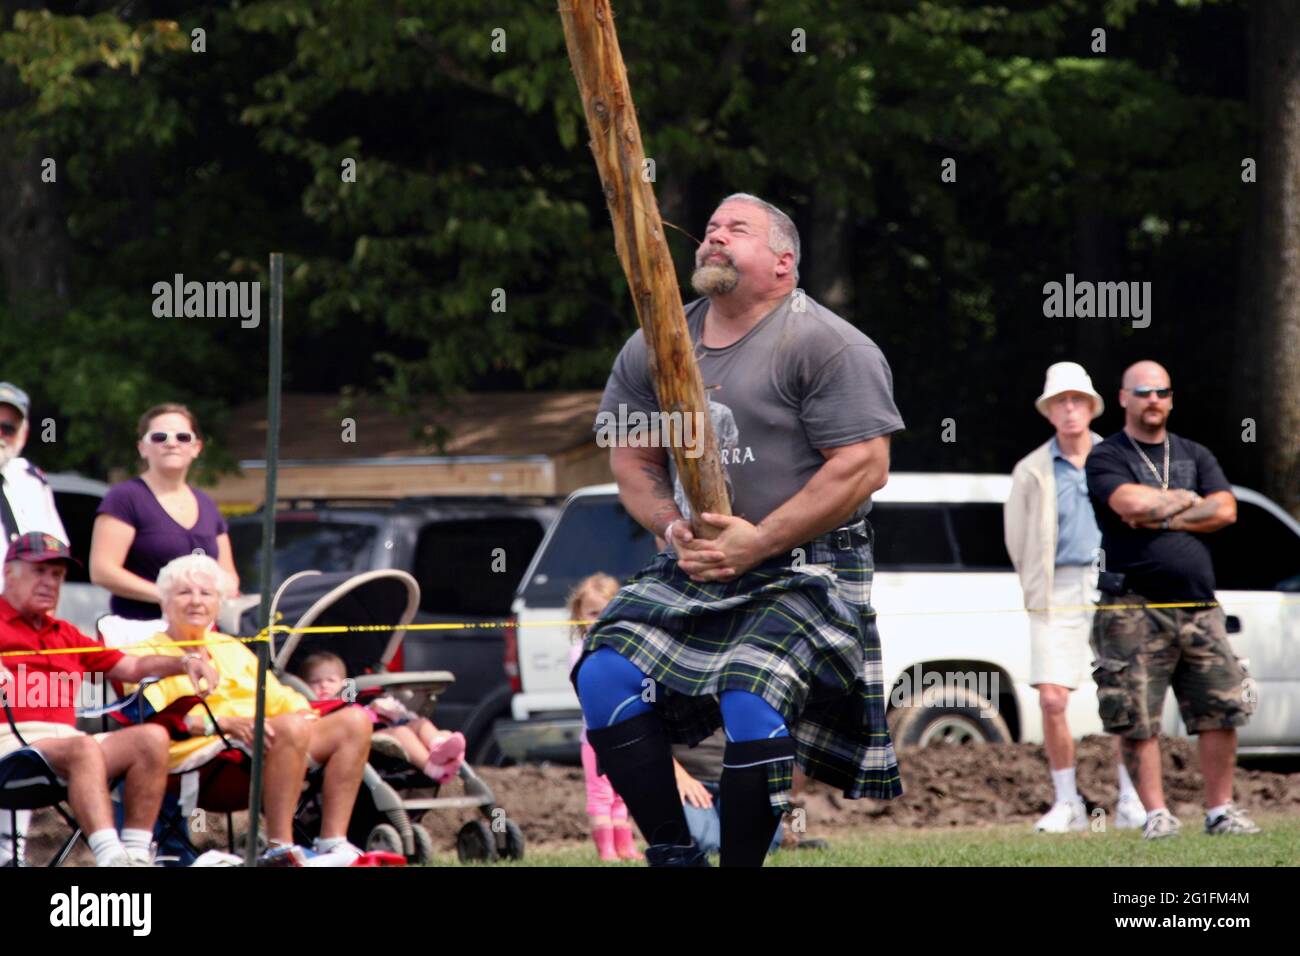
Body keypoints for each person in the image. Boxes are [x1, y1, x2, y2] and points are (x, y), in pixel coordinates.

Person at [573, 193, 905, 867]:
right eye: (711, 227)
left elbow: (864, 467)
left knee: (752, 686)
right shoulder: (655, 343)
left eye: (738, 229)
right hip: (697, 560)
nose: (715, 236)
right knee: (602, 670)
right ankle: (674, 851)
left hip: (805, 565)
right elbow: (632, 461)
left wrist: (760, 540)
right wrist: (671, 527)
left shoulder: (826, 343)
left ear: (783, 262)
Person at [1085, 360, 1258, 840]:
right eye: (1143, 391)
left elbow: (1226, 509)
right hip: (1132, 607)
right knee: (1135, 715)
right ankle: (1157, 815)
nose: (1153, 400)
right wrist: (1192, 502)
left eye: (1161, 392)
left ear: (1171, 399)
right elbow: (1128, 504)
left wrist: (1163, 515)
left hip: (1199, 607)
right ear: (1123, 398)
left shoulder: (1194, 453)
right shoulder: (1107, 455)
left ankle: (1220, 811)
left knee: (1220, 709)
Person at [123, 553, 372, 864]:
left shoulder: (230, 647)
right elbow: (156, 718)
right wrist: (226, 723)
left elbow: (282, 697)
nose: (196, 601)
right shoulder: (146, 653)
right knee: (289, 727)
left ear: (218, 603)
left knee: (354, 721)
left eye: (206, 593)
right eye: (184, 592)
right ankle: (280, 847)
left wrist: (300, 712)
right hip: (204, 758)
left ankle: (333, 842)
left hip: (263, 748)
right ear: (164, 601)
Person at [0, 532, 220, 866]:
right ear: (9, 572)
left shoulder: (65, 632)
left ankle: (136, 854)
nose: (50, 582)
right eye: (39, 571)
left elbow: (132, 667)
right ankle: (111, 858)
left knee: (151, 738)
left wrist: (184, 661)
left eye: (57, 574)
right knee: (82, 747)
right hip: (10, 744)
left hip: (66, 746)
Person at [1004, 362, 1145, 832]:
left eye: (1076, 400)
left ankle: (1132, 799)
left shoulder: (1120, 458)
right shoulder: (1031, 469)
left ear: (1090, 407)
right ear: (1048, 411)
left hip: (1114, 585)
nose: (1069, 409)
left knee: (1124, 693)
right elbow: (1018, 540)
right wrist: (1035, 589)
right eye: (1060, 402)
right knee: (1051, 698)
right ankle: (1068, 803)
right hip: (1057, 587)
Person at [90, 403, 240, 642]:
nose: (172, 443)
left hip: (201, 636)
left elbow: (228, 576)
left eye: (182, 437)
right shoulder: (124, 498)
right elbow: (102, 571)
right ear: (142, 448)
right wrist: (169, 596)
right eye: (159, 437)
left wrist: (211, 598)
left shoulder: (207, 504)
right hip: (140, 634)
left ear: (196, 447)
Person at [0, 381, 70, 864]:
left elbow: (54, 548)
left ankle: (12, 852)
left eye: (8, 427)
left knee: (24, 729)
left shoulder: (31, 480)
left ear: (23, 433)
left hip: (24, 625)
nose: (0, 435)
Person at [297, 651, 466, 785]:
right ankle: (434, 769)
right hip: (364, 737)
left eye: (331, 680)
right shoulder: (313, 707)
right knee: (402, 732)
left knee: (421, 723)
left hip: (384, 724)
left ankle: (439, 746)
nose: (324, 685)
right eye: (315, 681)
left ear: (345, 683)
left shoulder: (351, 697)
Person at [567, 573, 643, 861]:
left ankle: (625, 845)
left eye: (606, 612)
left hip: (626, 735)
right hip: (595, 739)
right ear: (579, 615)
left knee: (624, 791)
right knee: (601, 794)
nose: (599, 620)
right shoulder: (580, 651)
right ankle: (606, 848)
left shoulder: (624, 649)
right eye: (592, 613)